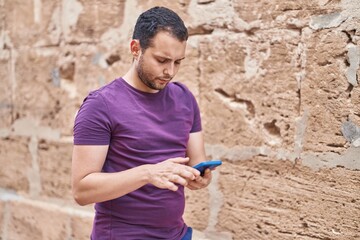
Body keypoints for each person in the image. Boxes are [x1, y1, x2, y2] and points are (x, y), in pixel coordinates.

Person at [71, 6, 212, 240]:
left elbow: (197, 161)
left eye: (178, 62)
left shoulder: (185, 98)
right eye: (162, 60)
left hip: (176, 234)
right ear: (135, 48)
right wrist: (148, 173)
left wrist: (201, 176)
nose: (170, 71)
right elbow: (81, 190)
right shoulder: (100, 105)